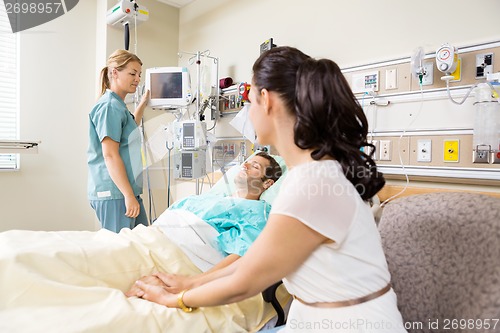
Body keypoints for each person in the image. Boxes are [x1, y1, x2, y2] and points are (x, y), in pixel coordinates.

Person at [131, 46, 407, 332]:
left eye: (249, 101)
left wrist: (176, 299)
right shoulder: (313, 173)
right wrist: (190, 283)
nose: (249, 112)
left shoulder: (314, 184)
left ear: (266, 100)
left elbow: (245, 282)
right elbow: (253, 260)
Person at [126, 151, 283, 295]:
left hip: (179, 255)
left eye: (255, 166)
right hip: (146, 239)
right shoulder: (209, 198)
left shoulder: (257, 213)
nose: (245, 165)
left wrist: (195, 284)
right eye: (247, 162)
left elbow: (242, 255)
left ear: (267, 183)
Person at [87, 49, 150, 232]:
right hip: (115, 193)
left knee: (142, 245)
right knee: (119, 254)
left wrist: (144, 102)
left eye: (139, 74)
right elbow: (110, 155)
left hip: (126, 191)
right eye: (132, 73)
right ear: (114, 72)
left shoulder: (118, 106)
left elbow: (129, 128)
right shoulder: (109, 107)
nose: (137, 79)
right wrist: (128, 195)